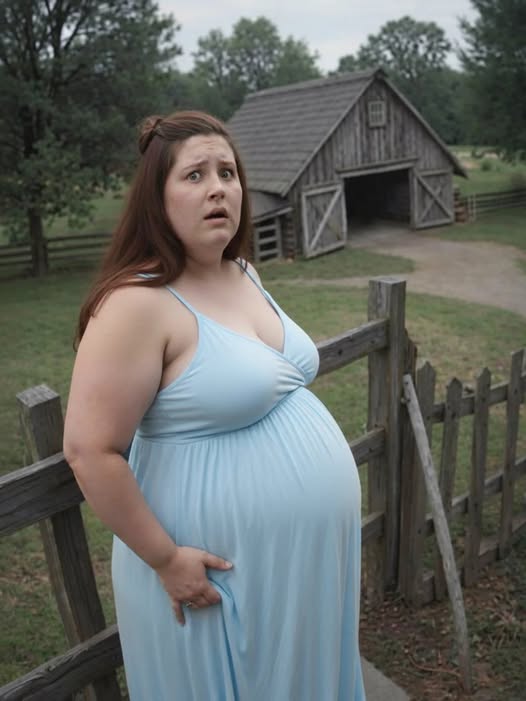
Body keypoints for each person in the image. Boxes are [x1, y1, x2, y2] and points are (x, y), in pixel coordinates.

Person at [63, 110, 366, 700]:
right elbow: (89, 451)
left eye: (228, 172)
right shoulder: (136, 304)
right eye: (195, 175)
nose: (218, 188)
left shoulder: (243, 272)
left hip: (299, 572)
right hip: (211, 575)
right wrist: (165, 559)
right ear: (157, 198)